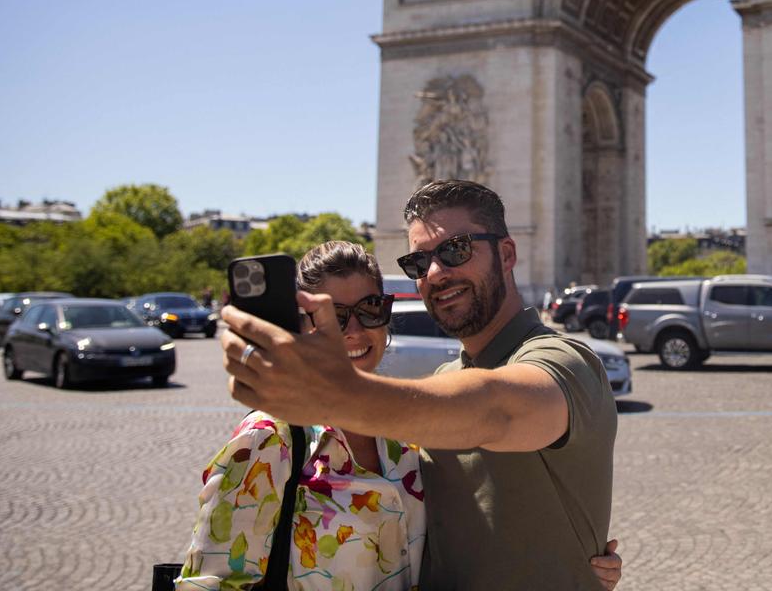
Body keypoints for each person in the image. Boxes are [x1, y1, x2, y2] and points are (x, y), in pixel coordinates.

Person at [221, 181, 618, 591]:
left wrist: (335, 395)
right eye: (418, 261)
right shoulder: (434, 393)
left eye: (455, 250)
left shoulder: (568, 362)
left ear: (506, 254)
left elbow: (497, 412)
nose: (434, 273)